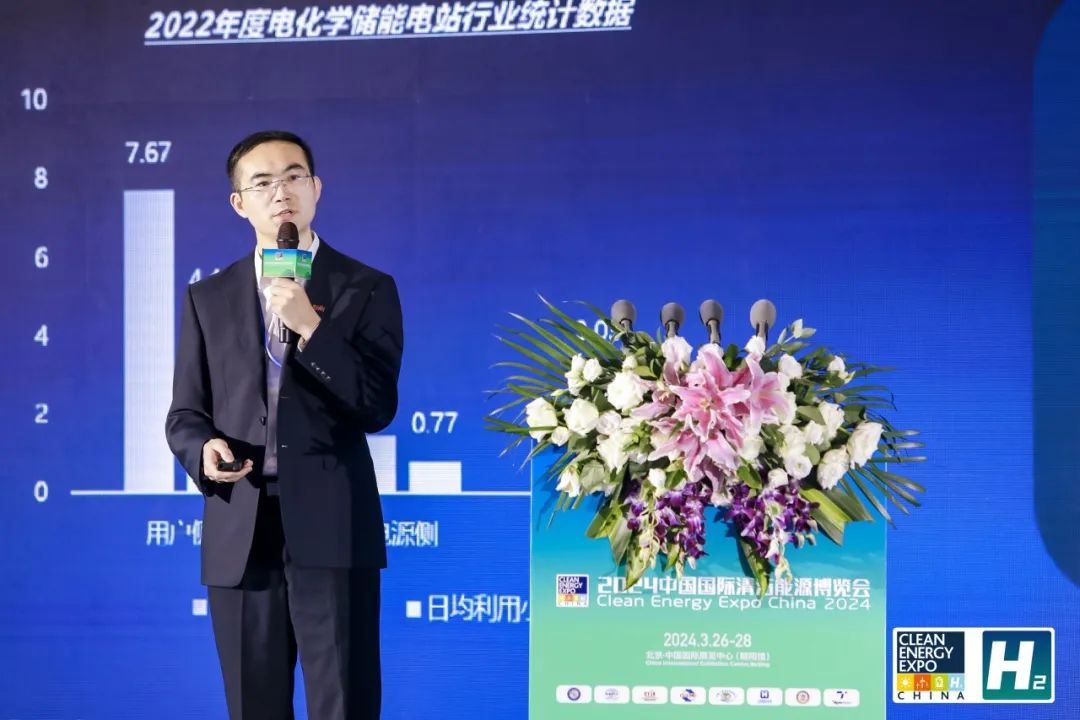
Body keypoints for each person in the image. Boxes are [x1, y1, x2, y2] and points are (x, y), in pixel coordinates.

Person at [166, 130, 403, 720]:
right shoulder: (207, 297)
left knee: (343, 702)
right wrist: (203, 448)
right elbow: (185, 414)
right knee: (254, 705)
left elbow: (376, 406)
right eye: (263, 182)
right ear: (239, 203)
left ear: (316, 188)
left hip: (333, 525)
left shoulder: (367, 288)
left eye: (294, 176)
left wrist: (312, 329)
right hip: (241, 527)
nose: (282, 192)